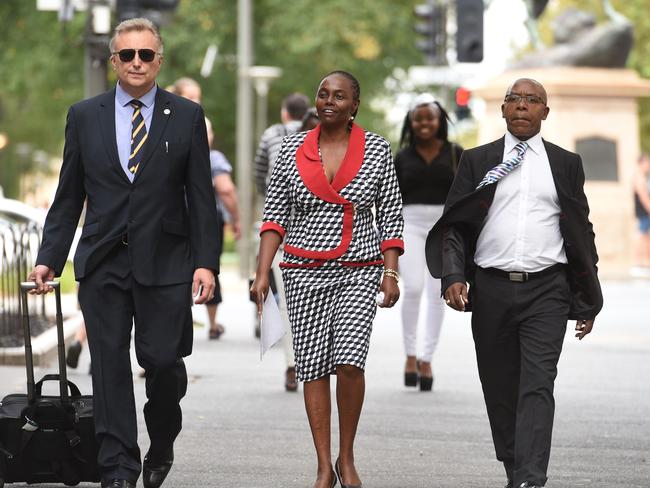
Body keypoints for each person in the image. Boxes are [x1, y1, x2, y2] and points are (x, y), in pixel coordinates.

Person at [28, 18, 221, 488]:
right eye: (128, 55)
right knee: (109, 367)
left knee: (161, 363)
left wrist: (206, 262)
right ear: (114, 61)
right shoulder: (84, 115)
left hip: (167, 263)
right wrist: (48, 256)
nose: (137, 62)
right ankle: (118, 469)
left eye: (146, 55)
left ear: (160, 60)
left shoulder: (188, 116)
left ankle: (162, 440)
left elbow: (201, 197)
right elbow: (68, 194)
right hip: (103, 261)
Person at [426, 78, 603, 488]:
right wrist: (453, 275)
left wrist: (587, 297)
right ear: (503, 109)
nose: (523, 106)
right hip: (491, 288)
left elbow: (581, 231)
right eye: (515, 99)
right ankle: (514, 467)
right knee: (500, 386)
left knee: (539, 385)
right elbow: (453, 224)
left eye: (533, 100)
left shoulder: (566, 163)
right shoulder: (476, 160)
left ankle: (530, 478)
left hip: (548, 290)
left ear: (545, 111)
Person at [250, 70, 404, 488]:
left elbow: (389, 213)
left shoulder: (376, 148)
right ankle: (323, 464)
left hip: (359, 269)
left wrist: (390, 273)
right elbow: (275, 215)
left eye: (340, 95)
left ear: (355, 104)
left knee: (351, 362)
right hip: (302, 271)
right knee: (312, 367)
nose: (329, 101)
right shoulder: (290, 150)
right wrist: (262, 271)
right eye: (323, 94)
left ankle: (347, 457)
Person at [394, 94, 462, 391]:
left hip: (443, 227)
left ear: (440, 121)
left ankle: (426, 358)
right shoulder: (402, 156)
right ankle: (409, 355)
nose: (424, 123)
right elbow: (391, 199)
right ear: (411, 122)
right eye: (418, 118)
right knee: (413, 287)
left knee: (437, 292)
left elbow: (465, 197)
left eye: (430, 118)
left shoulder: (456, 153)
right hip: (410, 223)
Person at [254, 92, 310, 391]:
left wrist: (272, 204)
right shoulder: (320, 131)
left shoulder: (272, 135)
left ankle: (292, 363)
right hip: (315, 226)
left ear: (285, 112)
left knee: (288, 300)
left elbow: (259, 173)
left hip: (280, 225)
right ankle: (312, 358)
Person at [205, 117, 241, 338]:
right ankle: (212, 323)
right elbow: (226, 190)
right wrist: (236, 218)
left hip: (172, 219)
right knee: (210, 267)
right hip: (208, 220)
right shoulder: (214, 158)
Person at [632, 153, 650, 275]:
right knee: (641, 235)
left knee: (646, 236)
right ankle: (638, 262)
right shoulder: (639, 177)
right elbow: (643, 196)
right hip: (644, 211)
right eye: (647, 162)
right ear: (641, 163)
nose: (648, 165)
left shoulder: (644, 176)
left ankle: (645, 262)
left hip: (645, 211)